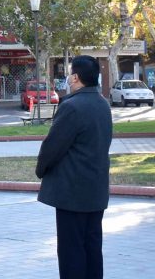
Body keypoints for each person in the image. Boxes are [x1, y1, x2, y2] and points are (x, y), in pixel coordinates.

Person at [36, 55, 112, 279]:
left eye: (70, 73)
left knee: (71, 251)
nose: (68, 78)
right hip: (95, 188)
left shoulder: (72, 106)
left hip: (72, 191)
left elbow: (53, 147)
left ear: (76, 77)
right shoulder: (102, 103)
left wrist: (41, 170)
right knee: (91, 247)